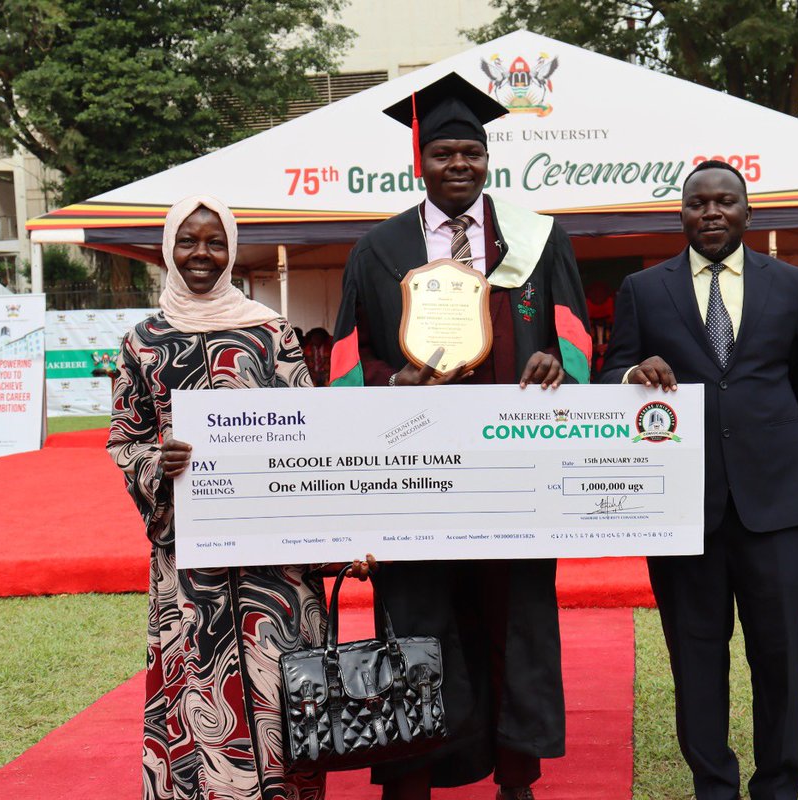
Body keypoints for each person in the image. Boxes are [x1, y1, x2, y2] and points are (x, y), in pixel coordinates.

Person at [330, 72, 592, 800]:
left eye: (471, 154)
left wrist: (558, 367)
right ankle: (411, 777)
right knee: (418, 620)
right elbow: (348, 361)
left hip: (517, 477)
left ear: (487, 160)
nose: (459, 166)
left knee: (518, 622)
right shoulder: (379, 251)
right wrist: (392, 384)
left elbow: (575, 338)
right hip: (417, 472)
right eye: (444, 154)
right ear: (420, 161)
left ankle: (516, 778)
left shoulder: (536, 241)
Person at [598, 160, 798, 800]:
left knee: (780, 658)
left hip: (777, 504)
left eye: (724, 202)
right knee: (697, 659)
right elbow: (608, 373)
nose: (711, 213)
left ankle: (779, 786)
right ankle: (714, 786)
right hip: (680, 508)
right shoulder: (644, 290)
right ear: (681, 214)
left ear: (746, 212)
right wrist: (631, 375)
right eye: (697, 203)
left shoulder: (792, 284)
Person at [107, 196, 328, 800]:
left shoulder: (270, 331)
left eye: (214, 242)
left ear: (231, 250)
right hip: (190, 565)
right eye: (188, 241)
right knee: (199, 692)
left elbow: (315, 433)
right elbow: (126, 438)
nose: (201, 254)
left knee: (282, 687)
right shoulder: (144, 341)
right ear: (168, 249)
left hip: (275, 564)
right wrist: (158, 463)